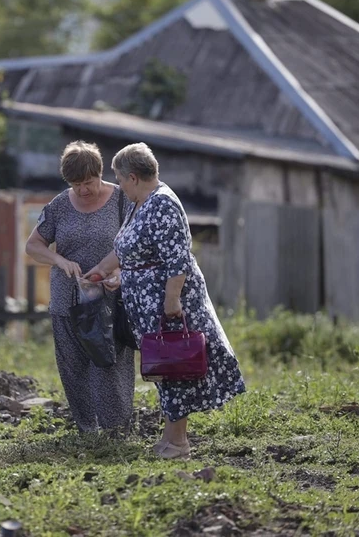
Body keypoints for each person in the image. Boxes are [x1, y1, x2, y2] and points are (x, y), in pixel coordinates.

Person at [87, 142, 246, 459]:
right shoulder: (142, 203)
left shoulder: (162, 205)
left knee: (174, 367)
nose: (119, 187)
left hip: (166, 304)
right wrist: (100, 271)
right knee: (165, 368)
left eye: (119, 180)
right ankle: (171, 438)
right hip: (148, 305)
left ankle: (178, 444)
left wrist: (172, 301)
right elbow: (125, 249)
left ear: (133, 177)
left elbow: (178, 261)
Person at [25, 141, 135, 433]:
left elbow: (136, 248)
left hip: (110, 300)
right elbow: (33, 246)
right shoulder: (60, 205)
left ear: (100, 173)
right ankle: (87, 430)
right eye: (76, 184)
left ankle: (116, 429)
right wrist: (59, 260)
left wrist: (120, 274)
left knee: (109, 364)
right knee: (73, 366)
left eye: (89, 182)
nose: (84, 190)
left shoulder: (123, 200)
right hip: (67, 300)